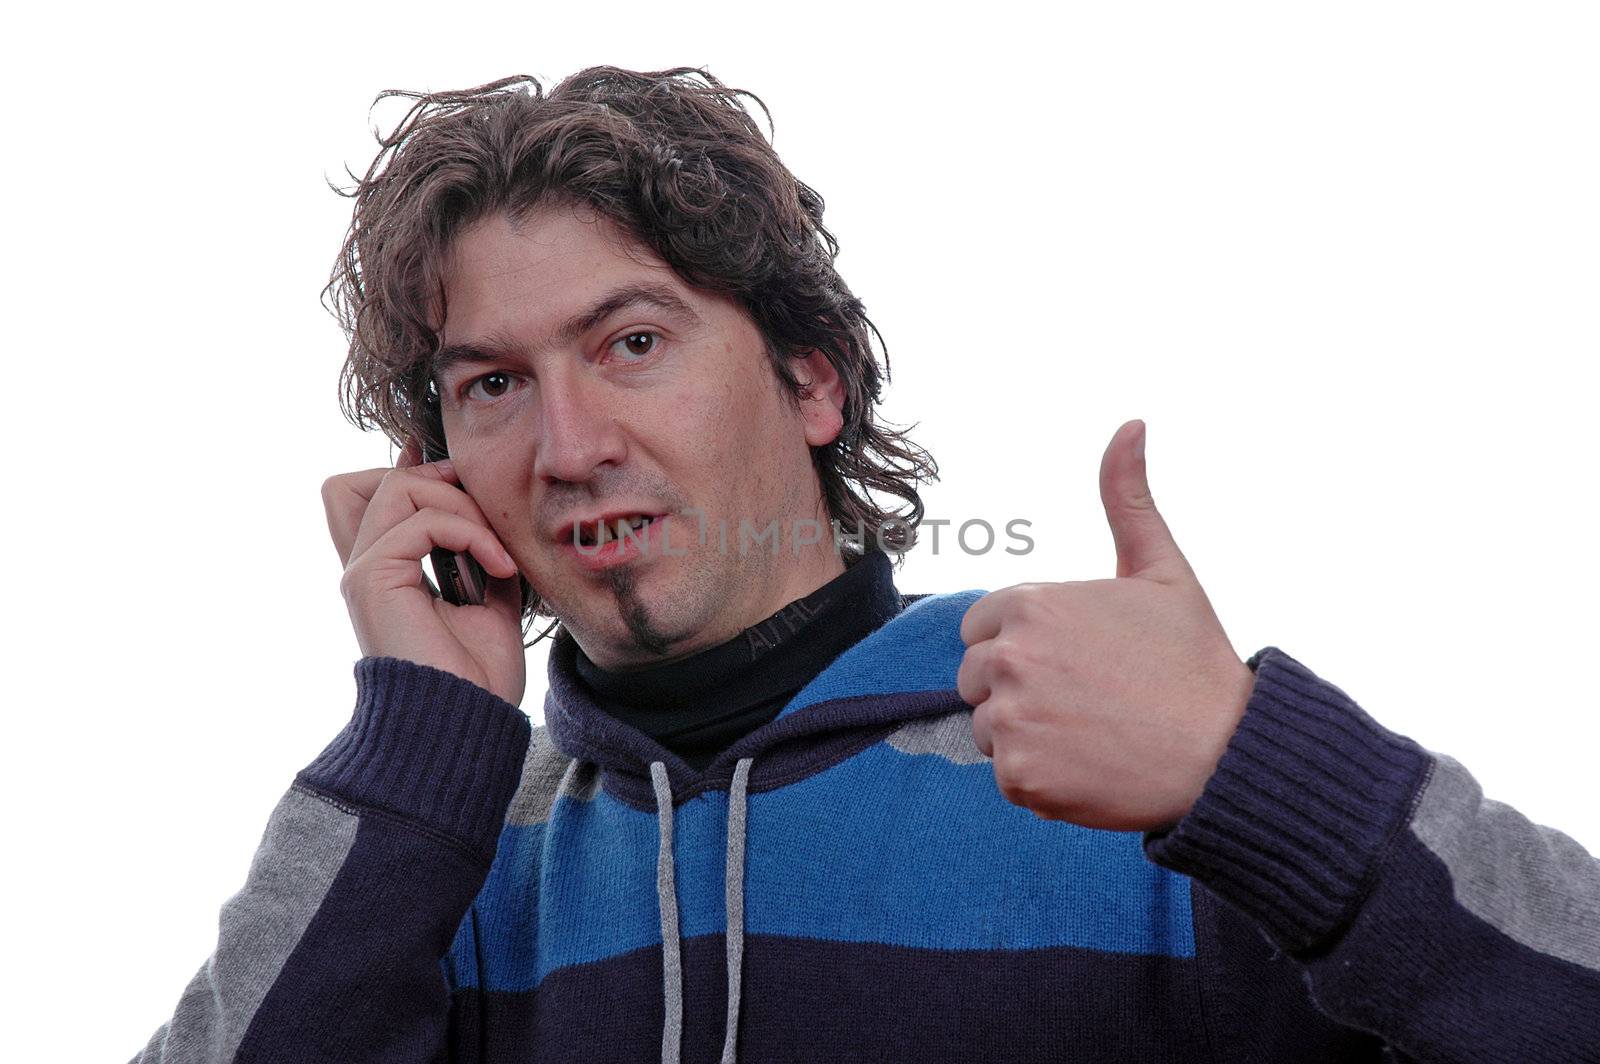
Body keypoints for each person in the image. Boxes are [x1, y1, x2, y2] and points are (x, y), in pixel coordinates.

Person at [132, 66, 1600, 1064]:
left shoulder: (1132, 768)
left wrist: (1264, 775)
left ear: (813, 383)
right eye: (493, 384)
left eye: (632, 342)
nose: (569, 444)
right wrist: (420, 750)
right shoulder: (431, 864)